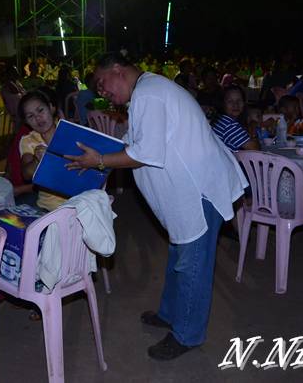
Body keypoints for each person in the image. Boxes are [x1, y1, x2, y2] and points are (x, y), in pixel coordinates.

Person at [66, 52, 248, 360]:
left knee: (193, 265)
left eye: (101, 82)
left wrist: (99, 160)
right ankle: (170, 313)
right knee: (180, 255)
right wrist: (100, 152)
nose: (102, 91)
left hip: (200, 192)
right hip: (189, 193)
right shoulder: (146, 93)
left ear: (117, 69)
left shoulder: (149, 94)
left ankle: (187, 334)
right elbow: (135, 143)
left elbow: (144, 153)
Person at [18, 90, 67, 211]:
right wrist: (36, 160)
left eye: (40, 110)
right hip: (49, 207)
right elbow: (26, 174)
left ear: (51, 108)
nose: (37, 118)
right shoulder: (29, 140)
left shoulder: (68, 131)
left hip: (80, 201)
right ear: (26, 122)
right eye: (30, 116)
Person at [211, 86, 260, 152]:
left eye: (239, 100)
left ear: (244, 103)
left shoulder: (221, 119)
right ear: (223, 104)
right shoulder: (230, 125)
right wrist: (254, 133)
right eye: (230, 101)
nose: (236, 105)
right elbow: (255, 149)